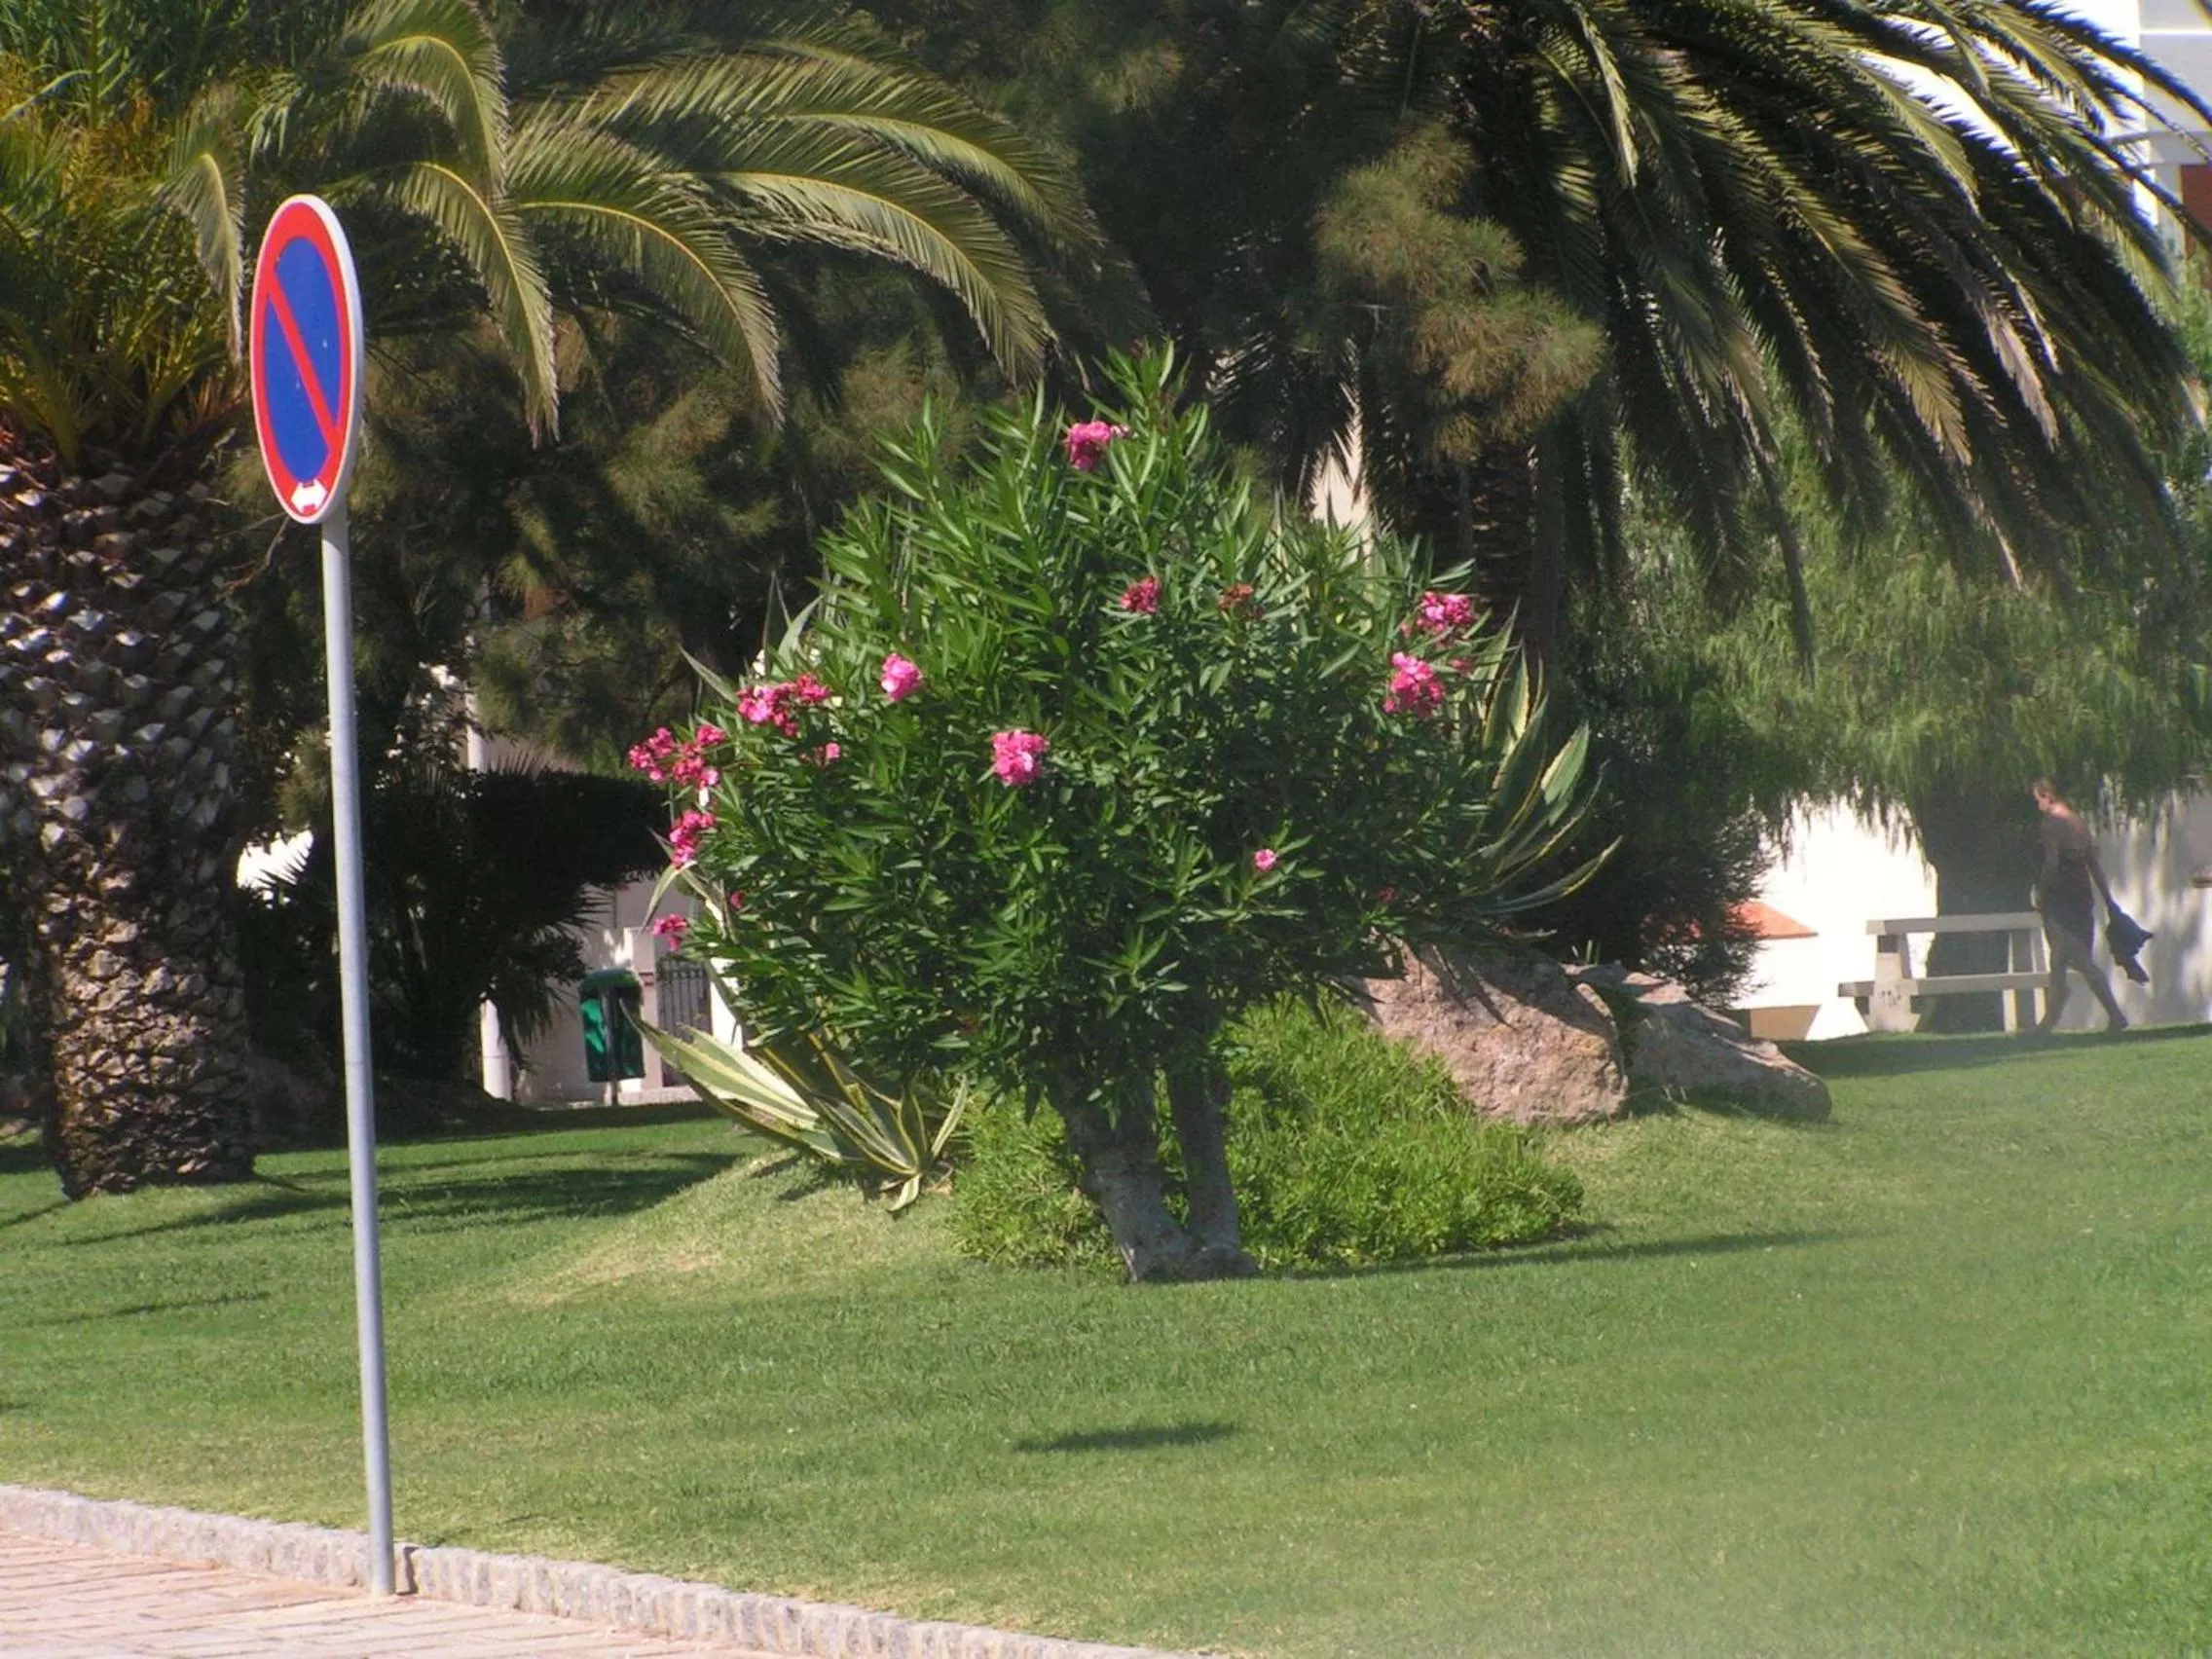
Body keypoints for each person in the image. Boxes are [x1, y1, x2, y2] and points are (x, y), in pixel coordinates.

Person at [2029, 778, 2128, 1033]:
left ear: (2048, 796)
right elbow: (2093, 865)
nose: (2036, 803)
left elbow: (2051, 863)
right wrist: (2108, 900)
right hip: (2082, 898)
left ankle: (2116, 1014)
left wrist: (2041, 892)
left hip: (2061, 900)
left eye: (2037, 798)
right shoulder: (2078, 823)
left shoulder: (2052, 825)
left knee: (2079, 959)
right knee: (2059, 962)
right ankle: (2048, 1022)